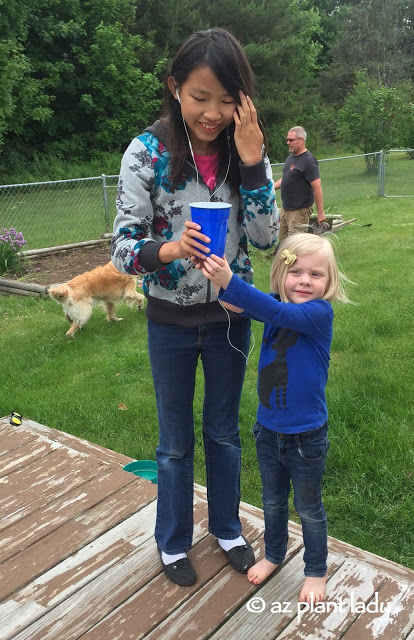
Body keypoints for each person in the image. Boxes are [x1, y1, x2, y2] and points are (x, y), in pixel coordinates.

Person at [111, 27, 278, 586]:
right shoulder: (147, 152)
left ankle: (227, 529)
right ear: (175, 88)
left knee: (225, 433)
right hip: (171, 323)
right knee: (175, 443)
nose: (213, 113)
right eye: (200, 97)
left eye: (227, 101)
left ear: (242, 101)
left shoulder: (245, 150)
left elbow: (263, 238)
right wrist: (169, 249)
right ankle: (173, 541)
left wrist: (253, 165)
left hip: (231, 317)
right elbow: (122, 251)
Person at [200, 233, 352, 603]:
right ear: (280, 275)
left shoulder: (318, 313)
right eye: (295, 271)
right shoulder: (272, 303)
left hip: (306, 438)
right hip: (268, 431)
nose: (304, 280)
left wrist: (233, 284)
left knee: (309, 509)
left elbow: (275, 313)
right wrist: (221, 280)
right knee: (272, 502)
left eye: (316, 274)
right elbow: (238, 305)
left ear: (329, 282)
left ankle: (316, 570)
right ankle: (273, 553)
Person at [274, 127, 326, 241]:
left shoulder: (309, 161)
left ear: (301, 140)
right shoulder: (290, 158)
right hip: (286, 209)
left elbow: (317, 187)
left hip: (299, 210)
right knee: (282, 241)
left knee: (296, 243)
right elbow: (286, 178)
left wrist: (321, 213)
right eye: (287, 140)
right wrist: (271, 188)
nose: (288, 143)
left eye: (291, 140)